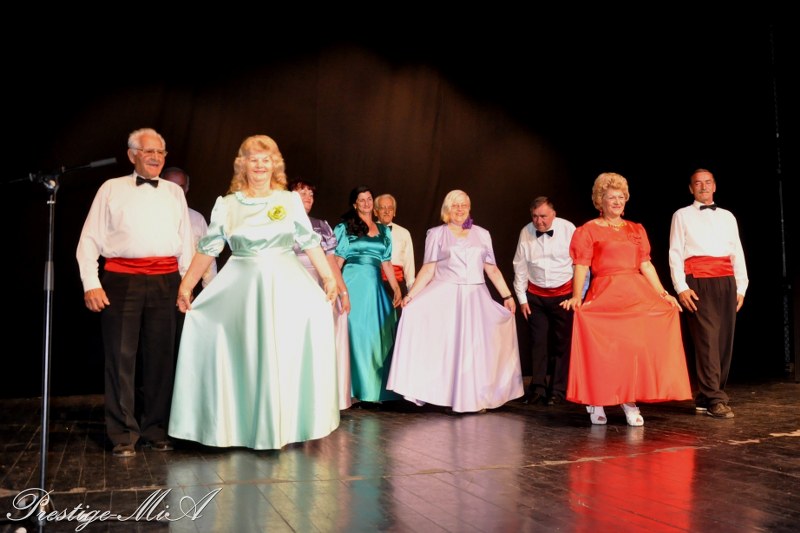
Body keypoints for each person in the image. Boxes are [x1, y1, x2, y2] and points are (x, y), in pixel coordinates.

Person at [168, 135, 340, 450]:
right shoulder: (228, 204)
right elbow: (209, 247)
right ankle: (241, 428)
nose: (260, 165)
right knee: (244, 354)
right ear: (242, 164)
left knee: (281, 352)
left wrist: (328, 278)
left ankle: (282, 426)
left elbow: (310, 241)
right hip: (241, 286)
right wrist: (186, 285)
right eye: (253, 159)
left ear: (274, 165)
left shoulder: (289, 201)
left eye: (266, 159)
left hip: (284, 283)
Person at [76, 127, 194, 457]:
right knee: (120, 357)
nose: (156, 157)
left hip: (165, 280)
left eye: (160, 152)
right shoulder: (111, 188)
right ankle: (123, 433)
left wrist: (186, 285)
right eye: (148, 151)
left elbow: (186, 242)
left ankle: (157, 428)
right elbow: (89, 239)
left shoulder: (174, 192)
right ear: (132, 155)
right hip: (121, 280)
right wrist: (91, 282)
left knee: (161, 358)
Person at [560, 172, 692, 426]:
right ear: (600, 201)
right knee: (606, 351)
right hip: (605, 293)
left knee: (634, 348)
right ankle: (597, 399)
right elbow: (581, 265)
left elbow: (646, 265)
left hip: (635, 292)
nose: (617, 202)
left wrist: (664, 294)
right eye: (612, 197)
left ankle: (629, 400)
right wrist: (577, 296)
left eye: (621, 197)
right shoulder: (588, 230)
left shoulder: (635, 229)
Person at [387, 190, 524, 413]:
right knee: (450, 348)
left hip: (476, 298)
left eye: (464, 205)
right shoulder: (436, 234)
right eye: (455, 205)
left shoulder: (482, 234)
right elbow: (428, 269)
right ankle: (449, 397)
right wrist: (410, 296)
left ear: (469, 208)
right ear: (447, 209)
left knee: (474, 349)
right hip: (446, 297)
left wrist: (507, 295)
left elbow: (492, 269)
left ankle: (474, 398)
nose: (460, 209)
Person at [668, 168, 748, 419]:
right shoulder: (681, 215)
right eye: (698, 183)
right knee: (707, 341)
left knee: (723, 342)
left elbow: (737, 252)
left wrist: (741, 286)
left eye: (707, 182)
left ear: (714, 186)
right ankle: (715, 398)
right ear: (690, 188)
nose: (703, 187)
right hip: (698, 282)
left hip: (726, 281)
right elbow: (675, 253)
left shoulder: (728, 216)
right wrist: (681, 287)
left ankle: (706, 396)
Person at [334, 185, 402, 404]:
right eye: (361, 200)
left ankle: (374, 391)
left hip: (375, 289)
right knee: (356, 334)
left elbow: (386, 262)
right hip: (353, 284)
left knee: (377, 336)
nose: (366, 203)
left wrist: (396, 288)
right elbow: (336, 262)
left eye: (369, 199)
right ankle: (353, 390)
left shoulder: (384, 231)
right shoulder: (345, 228)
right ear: (355, 204)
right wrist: (339, 289)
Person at [290, 178, 353, 410]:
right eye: (302, 193)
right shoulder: (281, 224)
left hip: (318, 285)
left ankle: (320, 395)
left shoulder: (320, 226)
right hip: (290, 285)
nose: (308, 197)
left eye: (311, 194)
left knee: (322, 336)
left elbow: (331, 263)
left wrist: (343, 292)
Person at [512, 196, 576, 406]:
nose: (538, 221)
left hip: (563, 296)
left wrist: (578, 295)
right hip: (536, 297)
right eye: (535, 217)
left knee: (561, 344)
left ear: (553, 214)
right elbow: (520, 266)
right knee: (538, 343)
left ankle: (557, 390)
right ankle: (538, 388)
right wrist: (522, 299)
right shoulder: (526, 231)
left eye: (543, 216)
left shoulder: (568, 229)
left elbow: (580, 264)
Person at [161, 167, 217, 291]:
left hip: (186, 287)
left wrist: (209, 293)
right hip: (153, 286)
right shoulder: (150, 216)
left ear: (186, 189)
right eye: (170, 186)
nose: (176, 191)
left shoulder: (197, 219)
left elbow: (208, 260)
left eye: (180, 187)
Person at [374, 194, 416, 303]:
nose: (387, 211)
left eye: (390, 208)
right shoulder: (368, 232)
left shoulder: (404, 233)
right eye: (382, 208)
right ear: (375, 211)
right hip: (373, 283)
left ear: (394, 212)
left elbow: (409, 266)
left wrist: (411, 292)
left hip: (397, 285)